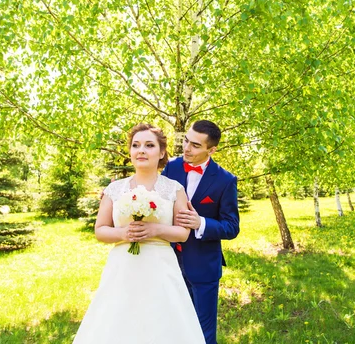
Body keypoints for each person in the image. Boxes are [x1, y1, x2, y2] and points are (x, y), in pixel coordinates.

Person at [73, 123, 205, 344]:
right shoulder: (114, 189)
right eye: (136, 145)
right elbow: (100, 230)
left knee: (161, 322)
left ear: (161, 152)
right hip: (123, 266)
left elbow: (182, 234)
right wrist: (124, 234)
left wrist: (156, 230)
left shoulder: (174, 189)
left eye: (149, 145)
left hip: (160, 267)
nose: (141, 150)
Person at [161, 120, 240, 344]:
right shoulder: (172, 168)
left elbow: (232, 226)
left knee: (203, 334)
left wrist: (201, 223)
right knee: (172, 327)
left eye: (195, 145)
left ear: (211, 150)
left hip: (204, 267)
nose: (187, 148)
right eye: (186, 141)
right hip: (167, 262)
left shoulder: (226, 180)